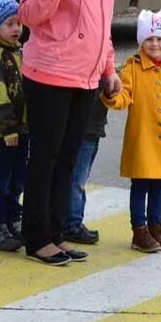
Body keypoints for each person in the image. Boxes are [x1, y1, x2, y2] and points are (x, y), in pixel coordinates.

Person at [19, 0, 121, 266]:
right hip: (51, 72)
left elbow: (102, 19)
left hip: (87, 75)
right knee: (45, 156)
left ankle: (57, 231)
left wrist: (109, 67)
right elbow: (29, 14)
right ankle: (37, 236)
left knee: (69, 157)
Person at [103, 10, 161, 252]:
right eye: (149, 39)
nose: (154, 44)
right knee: (140, 184)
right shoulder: (132, 69)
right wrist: (112, 95)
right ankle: (139, 231)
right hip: (142, 141)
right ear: (141, 41)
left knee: (158, 185)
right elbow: (124, 97)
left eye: (159, 39)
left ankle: (156, 227)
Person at [0, 0, 27, 252]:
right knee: (1, 179)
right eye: (10, 23)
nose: (16, 28)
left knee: (18, 179)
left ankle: (13, 219)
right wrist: (8, 128)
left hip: (22, 130)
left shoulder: (18, 52)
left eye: (19, 23)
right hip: (6, 133)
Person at [63, 89, 107, 245]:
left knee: (79, 178)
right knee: (77, 180)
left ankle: (72, 221)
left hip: (93, 128)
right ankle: (72, 224)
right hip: (86, 129)